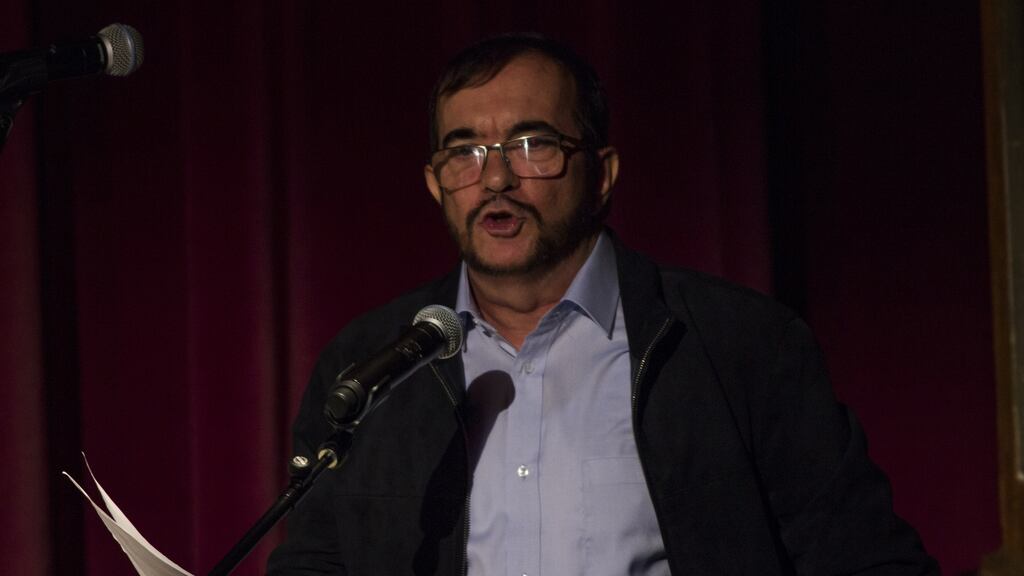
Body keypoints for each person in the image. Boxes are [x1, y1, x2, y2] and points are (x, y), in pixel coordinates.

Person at [267, 33, 938, 575]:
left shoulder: (742, 346)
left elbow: (867, 557)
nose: (495, 178)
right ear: (435, 183)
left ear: (604, 172)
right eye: (465, 151)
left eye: (534, 146)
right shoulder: (372, 367)